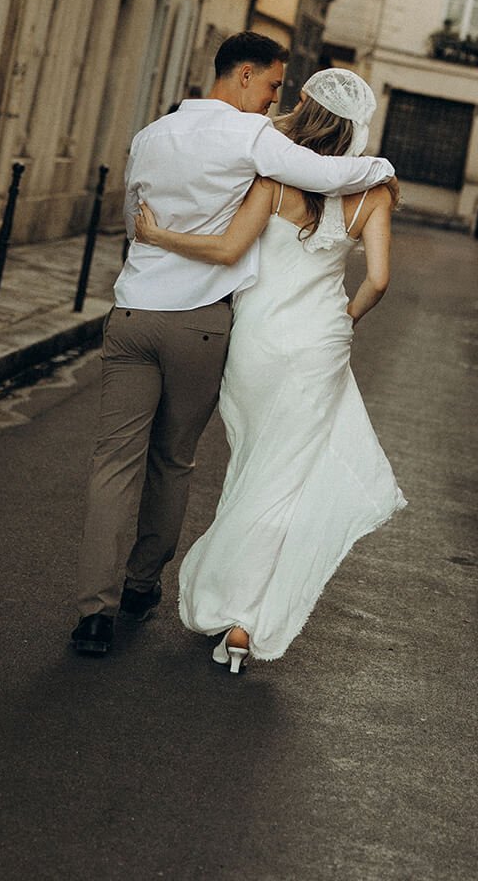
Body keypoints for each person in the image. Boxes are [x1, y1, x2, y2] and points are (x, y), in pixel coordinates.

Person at [71, 35, 396, 655]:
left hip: (135, 312)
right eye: (274, 85)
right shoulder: (255, 142)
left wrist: (159, 238)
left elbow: (131, 219)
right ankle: (142, 585)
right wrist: (379, 167)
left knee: (113, 465)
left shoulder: (150, 136)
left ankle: (94, 613)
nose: (277, 100)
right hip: (201, 324)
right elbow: (330, 178)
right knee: (173, 460)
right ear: (245, 76)